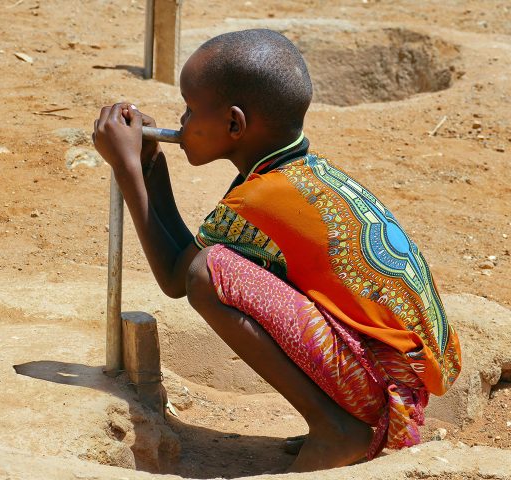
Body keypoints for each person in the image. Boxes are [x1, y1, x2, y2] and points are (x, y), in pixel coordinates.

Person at [92, 28, 461, 473]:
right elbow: (177, 259)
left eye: (190, 110)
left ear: (234, 124)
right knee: (221, 267)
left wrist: (130, 169)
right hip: (393, 377)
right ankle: (341, 419)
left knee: (210, 273)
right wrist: (150, 164)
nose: (182, 122)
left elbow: (179, 277)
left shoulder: (261, 199)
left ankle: (337, 428)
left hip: (383, 389)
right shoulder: (296, 174)